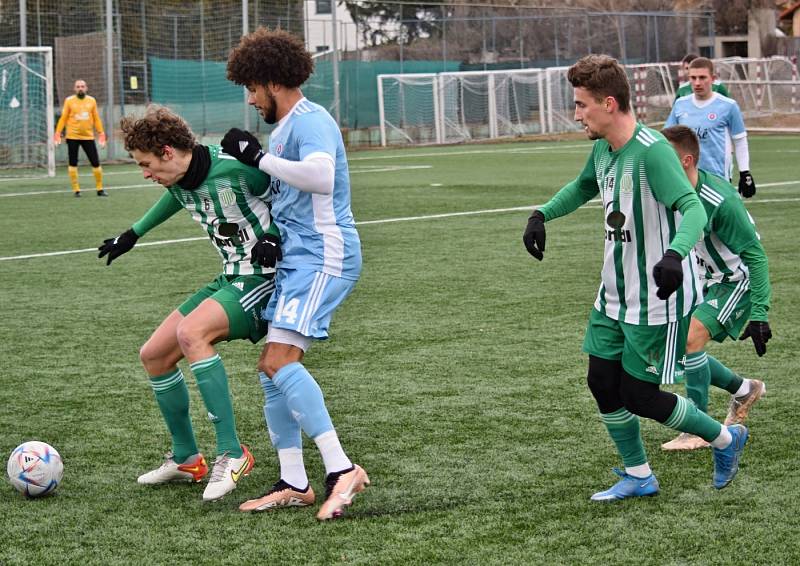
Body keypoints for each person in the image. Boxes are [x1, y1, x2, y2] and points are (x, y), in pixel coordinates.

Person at [522, 54, 749, 501]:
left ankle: (726, 439)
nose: (577, 113)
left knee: (640, 394)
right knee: (601, 382)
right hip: (612, 293)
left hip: (654, 298)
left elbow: (693, 207)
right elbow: (584, 186)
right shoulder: (603, 148)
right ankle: (639, 475)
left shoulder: (653, 152)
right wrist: (541, 214)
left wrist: (673, 254)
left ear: (609, 103)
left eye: (582, 104)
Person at [97, 105, 282, 502]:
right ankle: (186, 458)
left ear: (167, 151)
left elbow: (288, 197)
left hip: (264, 277)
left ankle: (233, 453)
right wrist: (133, 233)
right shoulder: (180, 176)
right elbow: (175, 196)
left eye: (146, 164)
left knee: (192, 333)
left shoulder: (234, 168)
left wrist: (274, 235)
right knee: (154, 355)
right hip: (231, 275)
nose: (145, 173)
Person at [221, 27, 368, 520]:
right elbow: (291, 196)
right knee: (270, 370)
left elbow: (322, 178)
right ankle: (294, 481)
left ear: (269, 81)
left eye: (250, 87)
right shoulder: (283, 129)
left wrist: (259, 158)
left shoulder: (310, 120)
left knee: (280, 363)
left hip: (326, 256)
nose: (249, 99)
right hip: (299, 257)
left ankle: (341, 469)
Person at [659, 125, 771, 451]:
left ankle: (697, 429)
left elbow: (756, 257)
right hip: (704, 278)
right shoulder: (672, 191)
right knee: (679, 342)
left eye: (663, 159)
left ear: (686, 161)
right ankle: (744, 389)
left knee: (692, 337)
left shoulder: (720, 200)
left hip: (737, 281)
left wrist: (761, 312)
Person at [666, 57, 756, 198]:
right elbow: (667, 139)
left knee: (718, 219)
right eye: (693, 78)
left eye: (702, 78)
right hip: (686, 177)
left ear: (713, 78)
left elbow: (739, 140)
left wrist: (745, 172)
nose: (697, 83)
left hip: (718, 178)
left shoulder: (728, 106)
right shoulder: (680, 105)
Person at [53, 79, 108, 197]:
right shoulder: (69, 101)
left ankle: (100, 189)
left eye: (82, 86)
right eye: (78, 86)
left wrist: (101, 134)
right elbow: (63, 118)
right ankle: (76, 190)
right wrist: (57, 133)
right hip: (72, 136)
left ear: (86, 88)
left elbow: (96, 118)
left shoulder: (92, 101)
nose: (80, 88)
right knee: (73, 163)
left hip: (88, 137)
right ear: (74, 89)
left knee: (95, 162)